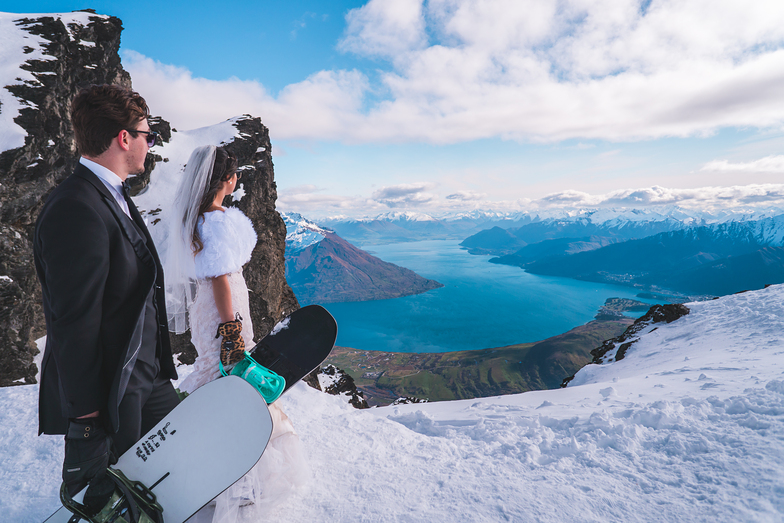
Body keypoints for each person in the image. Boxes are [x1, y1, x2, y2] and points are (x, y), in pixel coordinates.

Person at [33, 84, 180, 496]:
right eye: (147, 135)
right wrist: (87, 419)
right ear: (124, 138)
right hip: (114, 390)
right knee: (121, 497)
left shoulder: (108, 194)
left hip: (144, 376)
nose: (149, 145)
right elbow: (74, 321)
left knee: (180, 467)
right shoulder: (75, 206)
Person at [165, 145, 307, 522]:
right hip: (223, 314)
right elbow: (220, 277)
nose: (238, 180)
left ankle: (208, 470)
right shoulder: (214, 221)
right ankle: (238, 485)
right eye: (234, 174)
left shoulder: (201, 218)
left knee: (220, 383)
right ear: (226, 180)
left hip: (213, 312)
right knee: (233, 385)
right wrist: (232, 331)